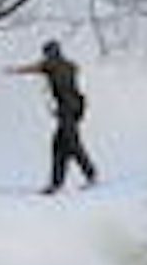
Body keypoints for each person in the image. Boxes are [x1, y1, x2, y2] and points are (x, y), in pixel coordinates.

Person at [6, 40, 98, 194]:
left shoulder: (52, 64)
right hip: (75, 107)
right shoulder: (69, 65)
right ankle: (57, 183)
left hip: (67, 109)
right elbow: (73, 72)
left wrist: (14, 70)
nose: (45, 56)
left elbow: (35, 68)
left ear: (51, 53)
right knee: (59, 145)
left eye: (46, 53)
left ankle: (90, 174)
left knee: (72, 143)